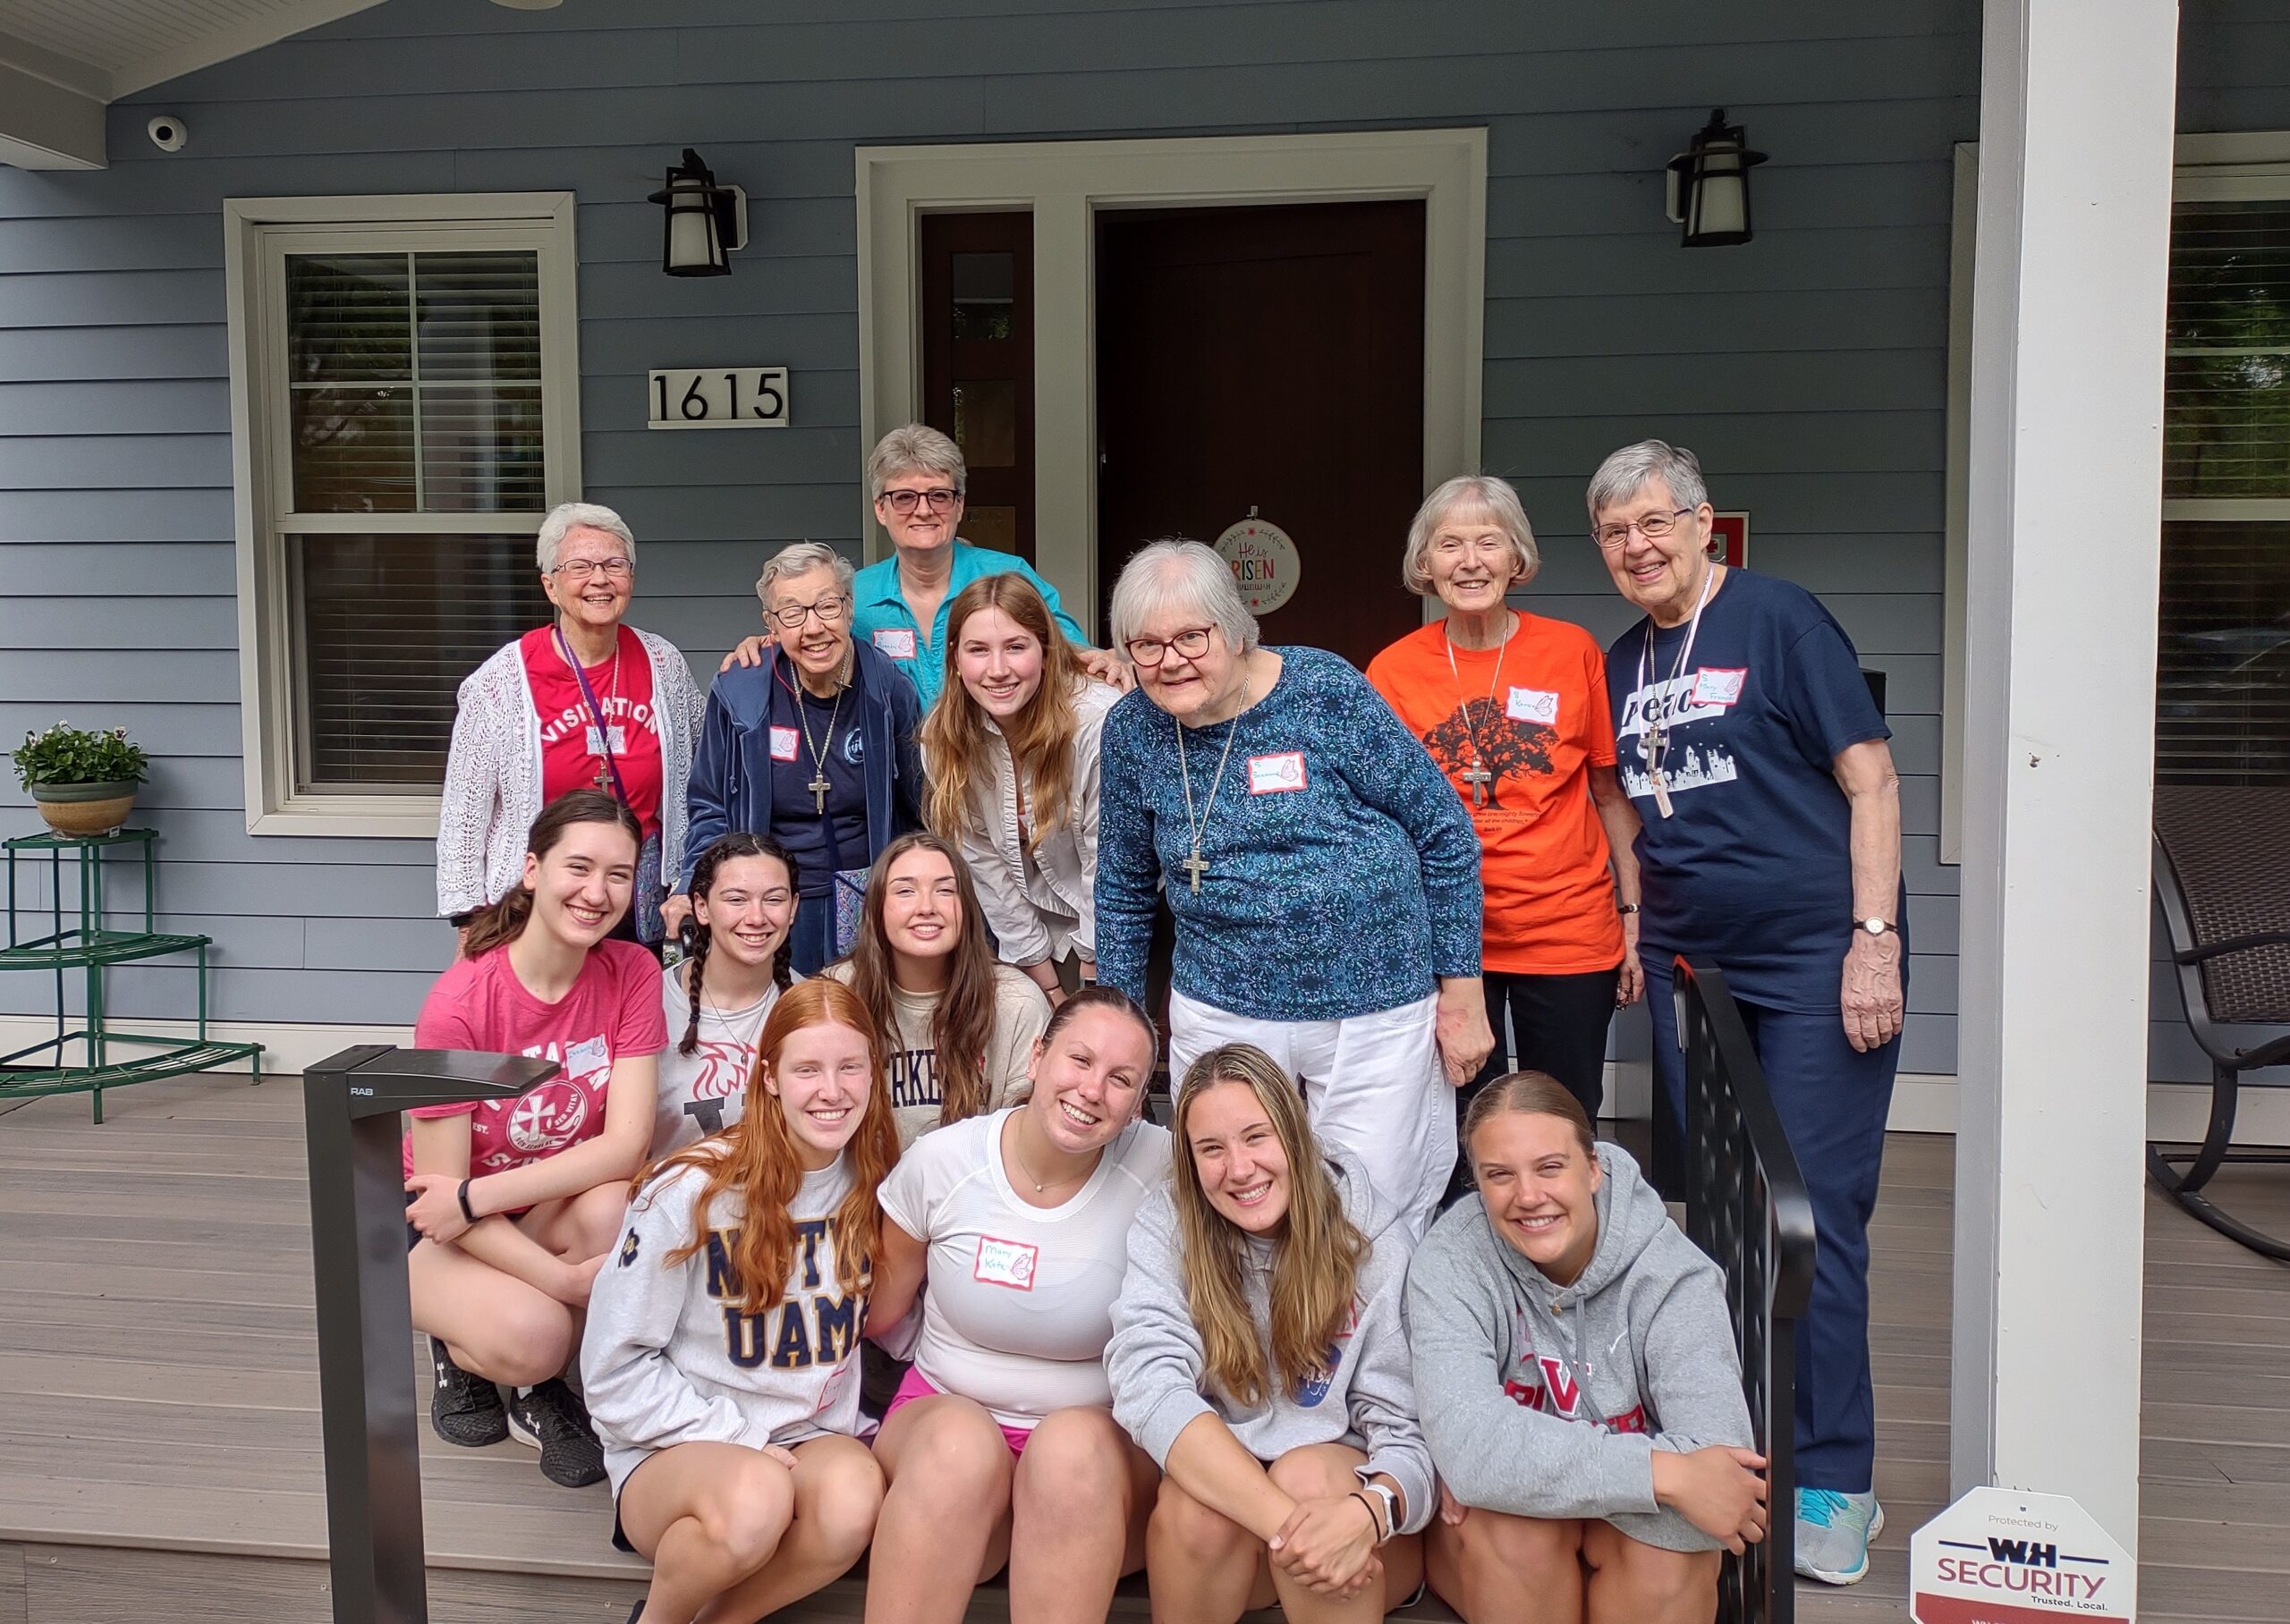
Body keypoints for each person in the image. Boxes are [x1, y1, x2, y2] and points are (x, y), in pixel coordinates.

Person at [1590, 439, 1905, 1586]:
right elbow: (1623, 803)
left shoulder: (1779, 620)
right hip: (1691, 971)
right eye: (1614, 532)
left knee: (1812, 1215)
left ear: (1703, 520)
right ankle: (1731, 1451)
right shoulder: (1622, 660)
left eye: (1654, 521)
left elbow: (1869, 777)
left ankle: (1832, 1476)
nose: (1637, 545)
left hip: (1818, 959)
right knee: (1718, 1218)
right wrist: (1634, 923)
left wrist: (1874, 942)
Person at [1095, 538, 1490, 1239]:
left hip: (1375, 1007)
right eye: (1146, 645)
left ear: (1237, 630)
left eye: (1191, 636)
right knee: (1231, 1199)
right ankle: (1249, 1348)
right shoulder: (1133, 731)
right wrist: (1123, 1022)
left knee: (1372, 1208)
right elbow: (1124, 887)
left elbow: (1444, 833)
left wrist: (1461, 992)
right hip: (1223, 1005)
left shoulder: (1324, 690)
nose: (1170, 659)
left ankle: (1370, 1350)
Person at [582, 977, 900, 1624]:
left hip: (807, 1441)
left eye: (850, 1067)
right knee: (756, 1498)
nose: (832, 1091)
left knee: (855, 1497)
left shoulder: (881, 1182)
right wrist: (739, 1438)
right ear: (771, 1076)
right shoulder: (692, 1189)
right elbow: (612, 1373)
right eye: (808, 1069)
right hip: (676, 1451)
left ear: (874, 1073)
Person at [1405, 1073, 1764, 1624]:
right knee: (1515, 1534)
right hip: (1511, 1538)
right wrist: (1666, 1474)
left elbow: (1720, 1463)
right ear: (1477, 1185)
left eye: (1551, 1167)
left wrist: (1520, 1464)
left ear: (1593, 1168)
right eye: (1499, 1176)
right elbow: (1471, 1450)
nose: (1528, 1197)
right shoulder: (1451, 1262)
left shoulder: (1672, 1275)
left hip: (1626, 1533)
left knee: (1671, 1557)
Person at [861, 988, 1170, 1624]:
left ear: (1140, 1104)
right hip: (944, 1423)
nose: (1092, 1090)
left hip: (1095, 1454)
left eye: (1120, 1080)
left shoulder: (1164, 1169)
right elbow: (875, 1315)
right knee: (958, 1446)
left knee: (1069, 1453)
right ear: (1037, 1054)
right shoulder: (944, 1162)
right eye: (1079, 1060)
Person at [1107, 1044, 1433, 1624]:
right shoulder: (1171, 1220)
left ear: (1295, 1134)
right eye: (1212, 1148)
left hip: (1357, 1527)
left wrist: (1366, 1514)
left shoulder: (1368, 1232)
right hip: (1245, 1526)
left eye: (1256, 1137)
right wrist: (1291, 1530)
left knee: (1307, 1474)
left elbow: (1410, 1429)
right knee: (1194, 1511)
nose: (1239, 1168)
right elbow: (1148, 1383)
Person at [403, 790, 667, 1489]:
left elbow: (626, 1145)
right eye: (577, 867)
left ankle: (529, 1378)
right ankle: (463, 1349)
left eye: (618, 874)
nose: (597, 892)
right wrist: (561, 1283)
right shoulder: (459, 1007)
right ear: (531, 869)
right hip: (443, 1236)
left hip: (512, 1202)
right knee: (541, 1338)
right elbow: (437, 1203)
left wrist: (478, 1195)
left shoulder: (632, 973)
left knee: (616, 1206)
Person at [1367, 475, 1643, 1138]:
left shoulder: (1571, 651)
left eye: (1489, 542)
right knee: (1461, 1119)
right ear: (1424, 564)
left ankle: (1567, 1241)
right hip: (1449, 940)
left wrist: (1633, 918)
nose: (1470, 561)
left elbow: (1608, 793)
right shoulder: (1393, 671)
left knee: (1566, 1113)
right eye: (1450, 544)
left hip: (1569, 932)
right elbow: (1377, 822)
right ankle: (1471, 1242)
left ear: (1516, 557)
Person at [438, 503, 707, 951]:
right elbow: (464, 815)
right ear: (551, 585)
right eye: (580, 566)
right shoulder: (501, 682)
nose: (599, 580)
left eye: (614, 565)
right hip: (537, 905)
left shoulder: (663, 664)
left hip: (638, 899)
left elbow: (707, 762)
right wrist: (470, 917)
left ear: (631, 578)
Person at [676, 541, 924, 976]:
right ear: (771, 624)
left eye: (826, 606)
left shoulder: (887, 688)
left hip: (869, 891)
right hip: (768, 895)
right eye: (792, 613)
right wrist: (693, 883)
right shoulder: (739, 691)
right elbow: (708, 805)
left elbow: (921, 803)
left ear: (849, 609)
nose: (813, 628)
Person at [920, 572, 1121, 1003]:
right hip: (1029, 923)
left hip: (1116, 918)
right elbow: (985, 865)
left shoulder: (1097, 723)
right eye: (977, 650)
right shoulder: (945, 737)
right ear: (954, 658)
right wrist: (1045, 983)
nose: (997, 670)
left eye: (1015, 647)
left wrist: (1087, 979)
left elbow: (1105, 866)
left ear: (1045, 652)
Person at [850, 423, 1129, 706]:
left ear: (959, 505)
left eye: (939, 496)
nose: (924, 511)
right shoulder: (855, 595)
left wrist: (1106, 661)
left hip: (996, 748)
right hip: (892, 750)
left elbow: (1070, 657)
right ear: (880, 509)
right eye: (905, 498)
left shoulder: (1009, 576)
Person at [823, 832, 1052, 1148]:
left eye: (945, 890)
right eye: (905, 891)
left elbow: (1028, 1140)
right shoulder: (835, 994)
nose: (926, 907)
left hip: (973, 1191)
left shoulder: (1017, 1003)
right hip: (863, 1189)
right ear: (877, 908)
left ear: (967, 908)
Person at [651, 833, 800, 1159]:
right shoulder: (650, 1003)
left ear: (793, 908)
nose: (757, 917)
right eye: (736, 899)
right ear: (701, 907)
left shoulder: (809, 1005)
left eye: (774, 899)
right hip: (671, 1201)